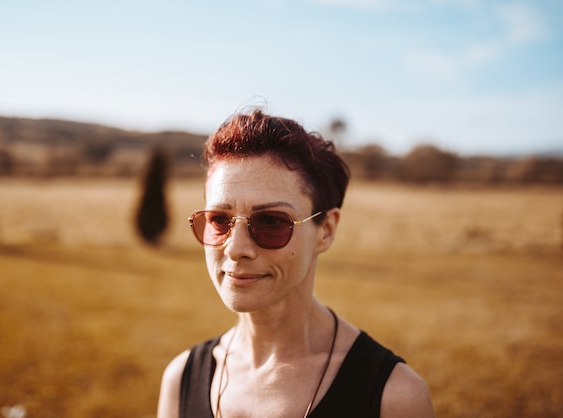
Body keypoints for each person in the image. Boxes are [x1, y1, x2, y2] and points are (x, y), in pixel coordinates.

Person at [157, 109, 435, 418]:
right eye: (219, 220)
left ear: (325, 231)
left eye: (271, 222)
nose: (235, 248)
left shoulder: (393, 397)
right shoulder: (181, 379)